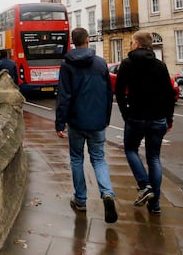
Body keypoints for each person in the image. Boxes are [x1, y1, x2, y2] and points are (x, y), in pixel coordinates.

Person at [55, 27, 118, 224]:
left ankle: (80, 200)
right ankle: (107, 193)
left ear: (73, 42)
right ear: (88, 40)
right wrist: (106, 119)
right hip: (97, 122)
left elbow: (64, 96)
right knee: (99, 159)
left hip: (76, 121)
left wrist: (60, 123)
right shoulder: (101, 64)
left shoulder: (67, 65)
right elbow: (109, 95)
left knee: (76, 159)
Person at [115, 30, 175, 214]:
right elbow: (169, 94)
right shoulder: (160, 65)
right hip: (157, 118)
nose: (131, 45)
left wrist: (126, 114)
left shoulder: (127, 63)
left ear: (138, 44)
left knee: (131, 149)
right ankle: (155, 205)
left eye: (132, 42)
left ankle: (144, 184)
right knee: (154, 158)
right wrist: (169, 118)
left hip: (136, 117)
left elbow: (118, 92)